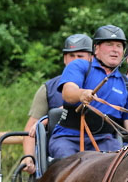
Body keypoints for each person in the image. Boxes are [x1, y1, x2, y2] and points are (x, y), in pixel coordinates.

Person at [50, 24, 128, 159]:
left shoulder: (127, 84)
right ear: (96, 49)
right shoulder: (79, 66)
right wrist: (81, 94)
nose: (115, 50)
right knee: (70, 167)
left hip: (105, 141)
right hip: (69, 138)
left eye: (119, 46)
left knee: (120, 167)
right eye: (109, 44)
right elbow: (68, 92)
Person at [21, 34, 93, 172]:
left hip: (96, 144)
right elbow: (31, 128)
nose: (75, 61)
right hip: (60, 152)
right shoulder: (48, 89)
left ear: (91, 59)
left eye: (80, 56)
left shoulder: (103, 83)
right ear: (65, 59)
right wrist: (29, 157)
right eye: (71, 56)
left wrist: (51, 117)